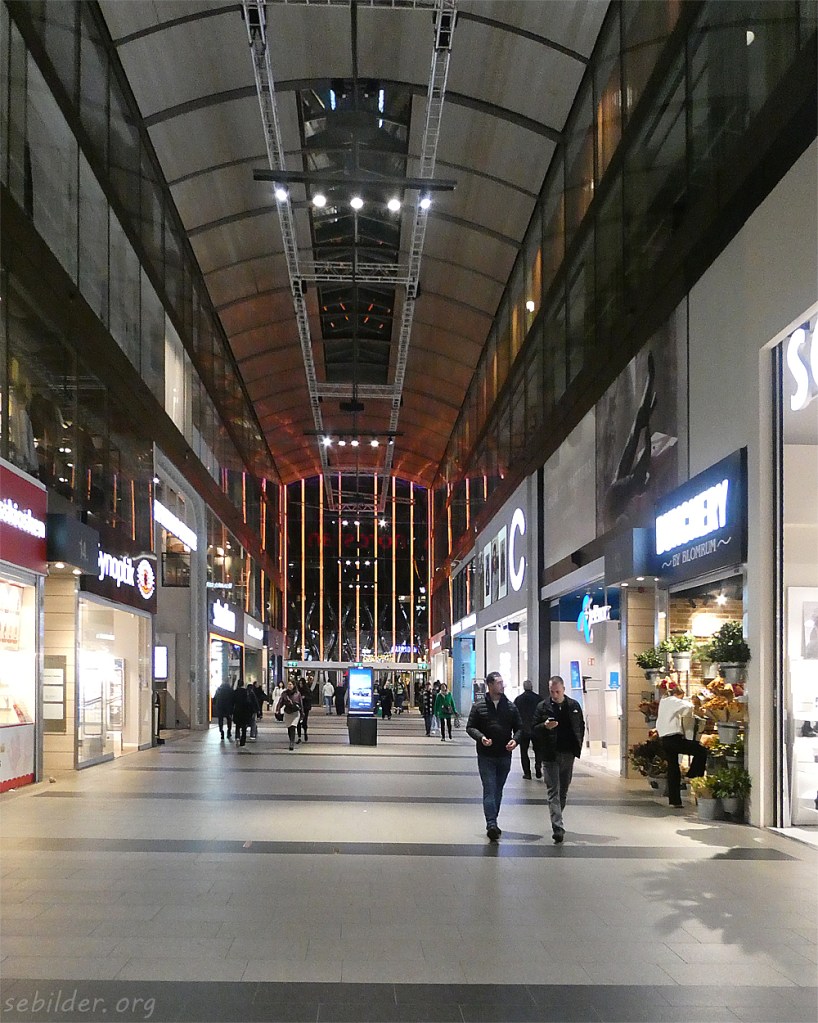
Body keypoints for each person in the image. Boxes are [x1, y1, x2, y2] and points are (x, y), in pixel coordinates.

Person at [466, 671, 522, 841]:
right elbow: (470, 727)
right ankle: (491, 823)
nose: (501, 685)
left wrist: (515, 740)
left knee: (498, 789)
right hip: (486, 755)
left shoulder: (510, 707)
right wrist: (481, 737)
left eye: (502, 682)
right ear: (489, 685)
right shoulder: (479, 706)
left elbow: (520, 728)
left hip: (504, 755)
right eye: (498, 683)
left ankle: (493, 820)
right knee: (489, 788)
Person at [532, 675, 585, 843]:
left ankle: (557, 817)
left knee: (563, 791)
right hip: (550, 755)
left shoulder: (573, 706)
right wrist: (545, 726)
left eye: (557, 691)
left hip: (568, 754)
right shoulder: (543, 707)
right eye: (552, 692)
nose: (554, 695)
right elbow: (534, 729)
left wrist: (578, 745)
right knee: (553, 790)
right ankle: (558, 827)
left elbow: (580, 725)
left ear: (563, 690)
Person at [656, 681, 707, 807]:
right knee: (701, 751)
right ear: (678, 694)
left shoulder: (664, 701)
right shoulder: (673, 700)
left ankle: (674, 800)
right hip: (673, 738)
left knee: (673, 768)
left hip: (664, 739)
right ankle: (692, 774)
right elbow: (688, 706)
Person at [513, 679, 542, 780]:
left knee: (524, 751)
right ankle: (538, 765)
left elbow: (514, 715)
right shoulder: (538, 699)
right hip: (536, 728)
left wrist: (515, 729)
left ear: (523, 687)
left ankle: (527, 773)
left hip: (523, 729)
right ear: (532, 687)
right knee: (538, 750)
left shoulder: (518, 699)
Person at [276, 680, 303, 751]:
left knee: (293, 727)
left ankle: (292, 743)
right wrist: (278, 709)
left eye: (291, 684)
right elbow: (280, 702)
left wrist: (302, 714)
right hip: (287, 712)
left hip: (295, 712)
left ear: (294, 685)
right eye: (288, 684)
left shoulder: (297, 694)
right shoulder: (284, 693)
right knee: (289, 727)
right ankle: (291, 739)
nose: (289, 686)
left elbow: (301, 704)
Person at [231, 681, 253, 748]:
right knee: (244, 726)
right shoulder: (246, 692)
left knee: (237, 725)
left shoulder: (235, 692)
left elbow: (232, 702)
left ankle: (237, 737)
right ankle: (243, 741)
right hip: (244, 711)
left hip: (237, 711)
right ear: (243, 684)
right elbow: (249, 702)